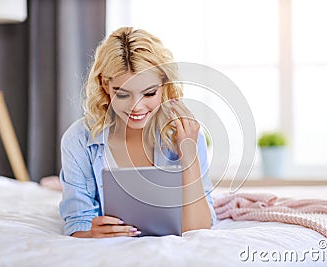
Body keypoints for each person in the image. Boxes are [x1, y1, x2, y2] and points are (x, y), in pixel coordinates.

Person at [59, 27, 216, 238]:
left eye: (149, 93)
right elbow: (77, 224)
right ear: (106, 85)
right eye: (122, 94)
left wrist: (189, 156)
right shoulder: (78, 140)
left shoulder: (186, 133)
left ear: (164, 85)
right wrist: (89, 233)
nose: (136, 107)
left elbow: (199, 228)